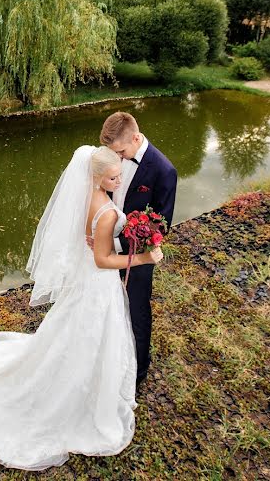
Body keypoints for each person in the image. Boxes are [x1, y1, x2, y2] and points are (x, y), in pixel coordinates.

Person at [0, 145, 163, 470]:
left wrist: (109, 236)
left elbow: (92, 239)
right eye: (114, 176)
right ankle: (80, 396)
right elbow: (102, 260)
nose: (119, 179)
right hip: (97, 283)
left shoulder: (87, 196)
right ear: (98, 176)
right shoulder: (108, 211)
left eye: (119, 173)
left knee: (74, 331)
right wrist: (142, 257)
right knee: (94, 334)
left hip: (86, 277)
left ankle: (82, 380)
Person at [98, 112, 177, 385]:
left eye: (121, 151)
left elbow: (161, 226)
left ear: (135, 137)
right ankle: (108, 357)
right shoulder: (114, 156)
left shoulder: (164, 170)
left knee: (137, 309)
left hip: (137, 253)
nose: (118, 158)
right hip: (106, 242)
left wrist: (115, 245)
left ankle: (139, 371)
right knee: (107, 304)